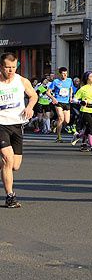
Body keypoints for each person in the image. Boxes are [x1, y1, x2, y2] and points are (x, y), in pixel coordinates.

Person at [0, 53, 38, 208]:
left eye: (14, 67)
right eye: (8, 67)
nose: (11, 70)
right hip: (1, 124)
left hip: (17, 125)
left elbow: (33, 95)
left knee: (15, 166)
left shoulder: (21, 80)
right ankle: (10, 196)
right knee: (7, 159)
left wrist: (29, 107)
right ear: (1, 67)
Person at [48, 67, 75, 143]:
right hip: (58, 102)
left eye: (66, 74)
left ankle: (54, 123)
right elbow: (48, 92)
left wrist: (70, 97)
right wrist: (53, 98)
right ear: (60, 74)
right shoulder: (56, 81)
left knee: (66, 121)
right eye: (63, 74)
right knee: (61, 118)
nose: (64, 75)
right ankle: (58, 137)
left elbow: (70, 88)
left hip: (66, 102)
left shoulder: (69, 80)